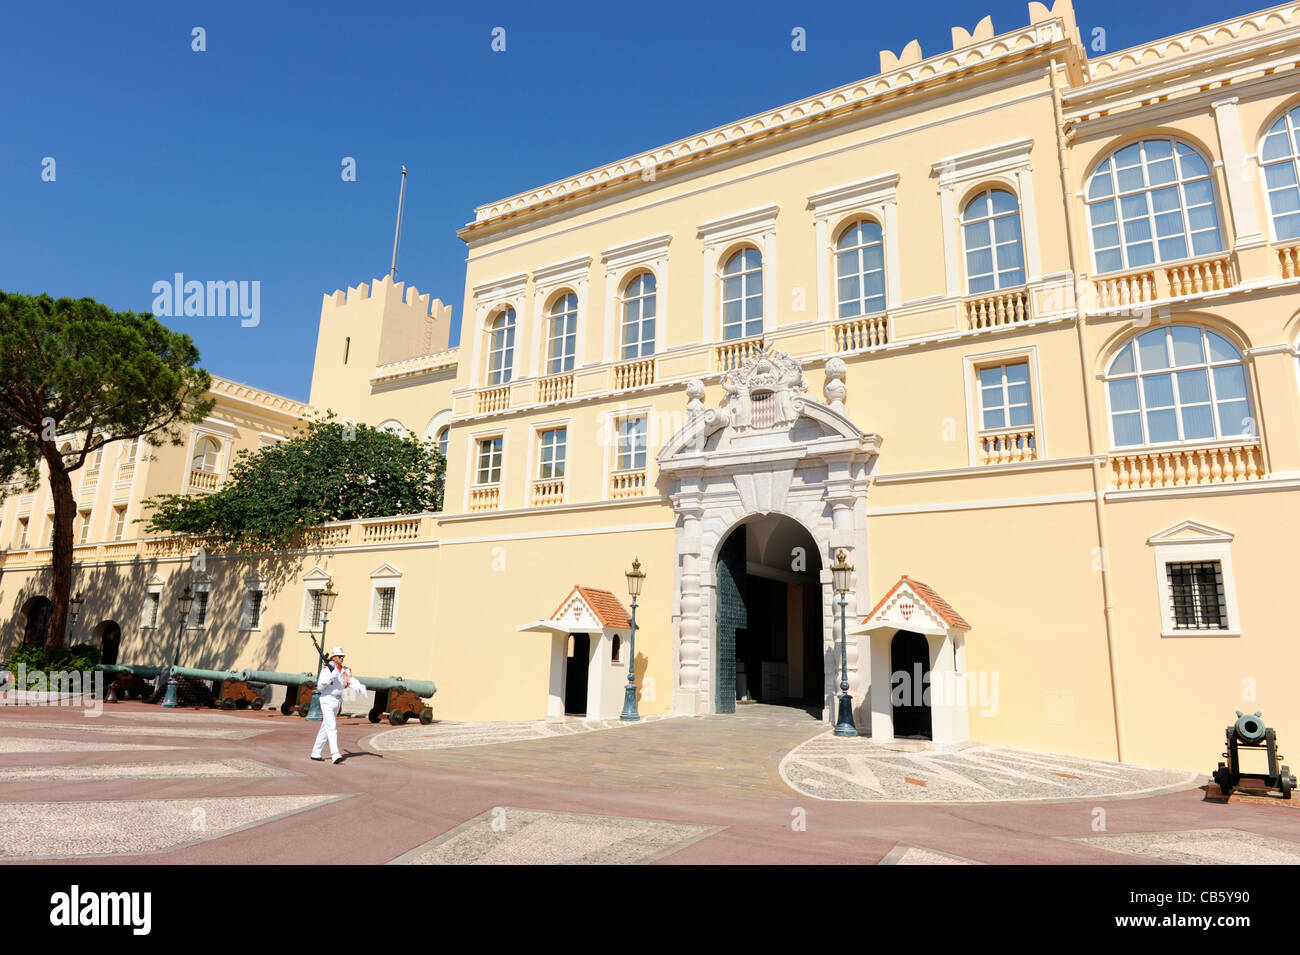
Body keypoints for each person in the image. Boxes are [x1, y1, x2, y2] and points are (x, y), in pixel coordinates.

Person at [310, 646, 351, 765]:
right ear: (333, 657)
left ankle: (315, 752)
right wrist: (331, 677)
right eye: (339, 656)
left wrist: (345, 679)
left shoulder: (345, 670)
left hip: (337, 701)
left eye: (343, 656)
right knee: (331, 726)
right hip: (327, 700)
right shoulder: (326, 670)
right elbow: (320, 687)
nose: (342, 658)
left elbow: (346, 684)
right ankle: (335, 754)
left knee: (326, 727)